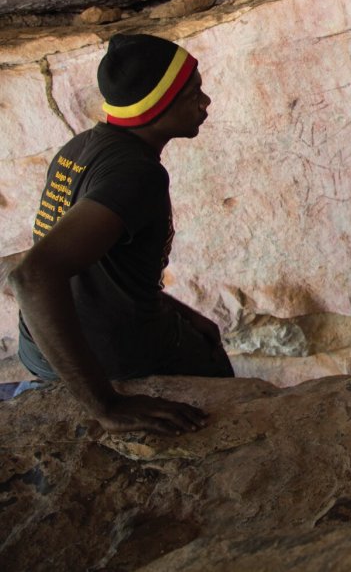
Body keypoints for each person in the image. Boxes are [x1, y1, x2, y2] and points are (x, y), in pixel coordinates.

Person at [9, 33, 233, 436]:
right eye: (193, 93)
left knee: (199, 332)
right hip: (110, 357)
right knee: (211, 369)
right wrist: (106, 405)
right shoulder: (138, 174)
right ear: (159, 107)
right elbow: (32, 275)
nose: (206, 102)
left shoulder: (79, 149)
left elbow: (102, 268)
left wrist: (180, 312)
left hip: (37, 353)